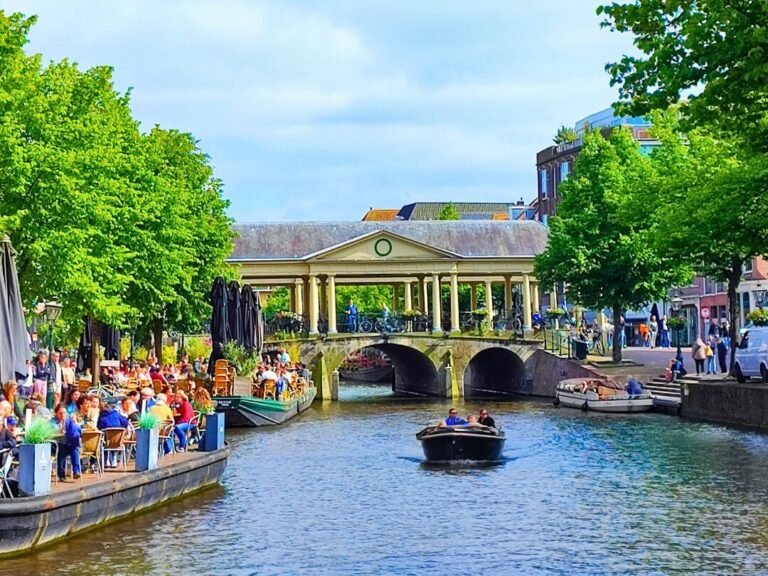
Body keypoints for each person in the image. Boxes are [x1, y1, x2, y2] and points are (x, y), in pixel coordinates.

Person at [51, 403, 82, 481]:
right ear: (56, 413)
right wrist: (60, 429)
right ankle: (61, 475)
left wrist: (75, 423)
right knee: (62, 449)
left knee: (74, 448)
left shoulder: (69, 420)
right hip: (56, 444)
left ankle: (76, 471)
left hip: (68, 443)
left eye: (64, 413)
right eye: (60, 413)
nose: (62, 415)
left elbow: (78, 430)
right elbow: (52, 432)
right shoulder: (53, 421)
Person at [97, 404, 129, 468]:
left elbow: (99, 427)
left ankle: (106, 460)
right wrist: (122, 428)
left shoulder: (101, 417)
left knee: (104, 439)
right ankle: (114, 459)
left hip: (107, 440)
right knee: (114, 440)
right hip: (118, 440)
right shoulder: (116, 414)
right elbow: (125, 422)